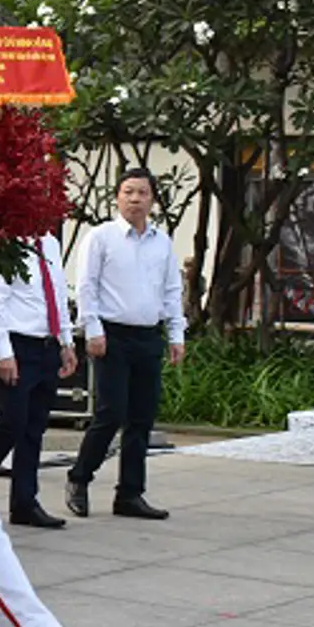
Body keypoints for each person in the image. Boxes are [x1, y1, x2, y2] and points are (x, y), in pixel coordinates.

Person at [65, 169, 185, 520]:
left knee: (141, 418)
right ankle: (79, 477)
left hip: (148, 336)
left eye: (142, 193)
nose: (135, 199)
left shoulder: (162, 242)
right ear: (117, 197)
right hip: (111, 336)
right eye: (128, 192)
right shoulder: (100, 238)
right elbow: (86, 286)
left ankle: (130, 494)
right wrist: (92, 329)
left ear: (152, 199)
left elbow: (171, 291)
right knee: (111, 412)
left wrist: (176, 334)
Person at [0, 233, 78, 528]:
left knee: (33, 427)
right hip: (14, 345)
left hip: (45, 345)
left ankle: (25, 502)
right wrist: (3, 352)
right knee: (10, 424)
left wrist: (66, 341)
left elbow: (56, 293)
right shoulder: (4, 241)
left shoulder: (50, 243)